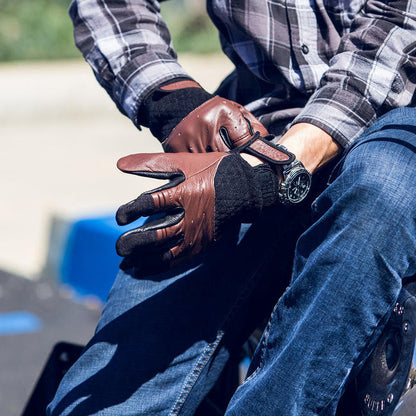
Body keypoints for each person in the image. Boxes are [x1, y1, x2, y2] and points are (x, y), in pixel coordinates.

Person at [47, 0, 416, 415]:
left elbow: (399, 24)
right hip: (260, 116)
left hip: (398, 117)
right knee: (107, 399)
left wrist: (266, 171)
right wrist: (173, 102)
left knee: (381, 190)